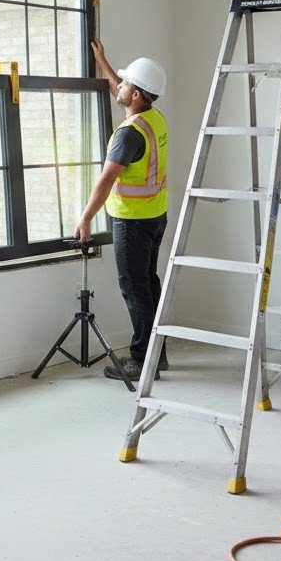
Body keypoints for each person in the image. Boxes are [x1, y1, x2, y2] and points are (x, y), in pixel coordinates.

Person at [75, 40, 169, 382]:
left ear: (137, 95)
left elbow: (105, 180)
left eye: (127, 83)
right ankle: (158, 354)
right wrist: (104, 62)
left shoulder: (129, 134)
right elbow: (120, 89)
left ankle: (143, 359)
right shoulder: (152, 118)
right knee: (149, 284)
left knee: (135, 288)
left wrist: (85, 218)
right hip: (155, 216)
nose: (121, 85)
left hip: (132, 221)